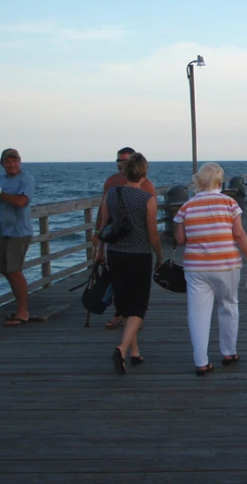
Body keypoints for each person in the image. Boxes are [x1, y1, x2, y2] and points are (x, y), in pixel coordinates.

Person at [173, 163, 247, 376]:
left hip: (196, 268)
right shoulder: (229, 203)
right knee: (229, 305)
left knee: (198, 314)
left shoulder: (186, 206)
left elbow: (180, 239)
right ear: (220, 182)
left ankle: (201, 362)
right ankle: (229, 352)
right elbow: (239, 234)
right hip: (226, 264)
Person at [96, 153, 163, 376]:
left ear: (125, 171)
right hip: (139, 256)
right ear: (144, 172)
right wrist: (160, 256)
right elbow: (153, 233)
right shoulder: (147, 199)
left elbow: (103, 227)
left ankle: (134, 351)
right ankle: (122, 348)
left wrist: (99, 251)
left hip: (116, 254)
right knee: (139, 305)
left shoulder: (111, 194)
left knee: (124, 305)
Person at [94, 147, 157, 330]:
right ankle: (119, 313)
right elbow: (103, 216)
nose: (122, 164)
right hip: (116, 243)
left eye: (125, 161)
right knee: (118, 283)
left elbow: (151, 221)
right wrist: (99, 245)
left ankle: (135, 317)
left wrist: (155, 249)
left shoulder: (147, 185)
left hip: (139, 245)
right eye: (119, 161)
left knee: (137, 286)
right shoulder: (111, 183)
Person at [0, 149, 35, 327]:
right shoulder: (1, 180)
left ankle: (23, 311)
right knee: (5, 270)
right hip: (2, 231)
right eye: (8, 161)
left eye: (15, 161)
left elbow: (21, 202)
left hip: (18, 232)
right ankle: (20, 308)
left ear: (20, 161)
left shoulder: (26, 179)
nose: (12, 164)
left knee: (14, 270)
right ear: (2, 163)